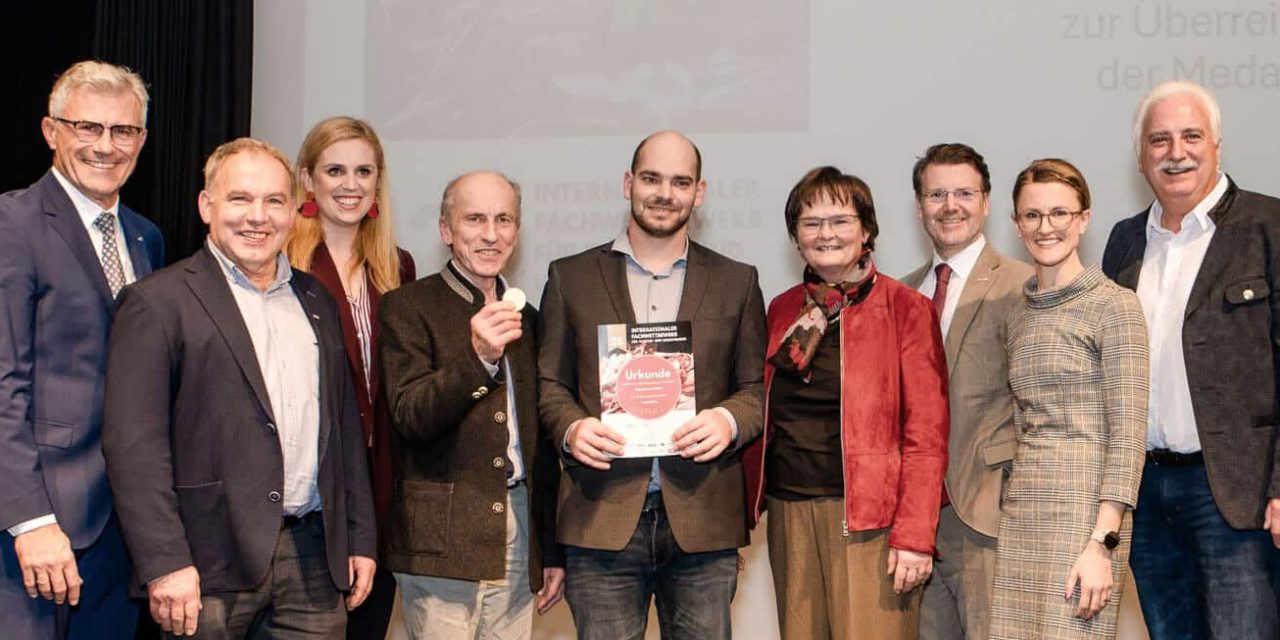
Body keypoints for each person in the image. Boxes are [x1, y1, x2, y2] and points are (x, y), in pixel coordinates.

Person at [101, 138, 377, 638]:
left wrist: (360, 537)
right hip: (205, 565)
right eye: (240, 199)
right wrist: (164, 561)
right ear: (207, 206)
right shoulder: (157, 303)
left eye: (274, 201)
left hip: (315, 558)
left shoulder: (316, 299)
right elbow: (133, 448)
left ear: (295, 210)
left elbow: (343, 433)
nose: (258, 216)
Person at [537, 130, 766, 639]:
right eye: (651, 178)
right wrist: (572, 429)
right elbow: (549, 385)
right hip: (600, 522)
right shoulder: (569, 277)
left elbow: (754, 390)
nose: (664, 193)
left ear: (698, 193)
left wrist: (727, 421)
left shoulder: (738, 281)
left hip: (703, 525)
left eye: (680, 181)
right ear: (628, 183)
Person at [1101, 80, 1280, 639]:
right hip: (1147, 499)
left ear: (1217, 145)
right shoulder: (1124, 241)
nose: (1175, 152)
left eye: (1191, 135)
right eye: (1159, 140)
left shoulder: (1268, 226)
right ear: (1140, 158)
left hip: (1236, 495)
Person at [741, 166, 949, 639]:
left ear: (867, 229)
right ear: (795, 236)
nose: (826, 234)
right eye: (811, 223)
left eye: (840, 220)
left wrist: (915, 536)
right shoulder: (783, 308)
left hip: (872, 522)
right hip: (790, 513)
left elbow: (928, 434)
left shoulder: (906, 308)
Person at [0, 60, 164, 639]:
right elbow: (4, 383)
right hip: (33, 532)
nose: (105, 146)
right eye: (86, 128)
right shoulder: (11, 223)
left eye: (123, 131)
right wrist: (29, 520)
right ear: (51, 132)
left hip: (121, 531)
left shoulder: (147, 237)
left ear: (141, 139)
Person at [380, 170, 565, 639]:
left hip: (520, 533)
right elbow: (410, 417)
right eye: (475, 218)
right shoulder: (407, 306)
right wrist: (478, 359)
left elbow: (541, 443)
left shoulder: (530, 318)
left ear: (517, 232)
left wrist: (552, 550)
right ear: (446, 230)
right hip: (441, 541)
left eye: (504, 219)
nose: (490, 233)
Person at [990, 158, 1148, 639]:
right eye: (1032, 215)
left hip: (1086, 523)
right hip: (1022, 520)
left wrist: (1103, 543)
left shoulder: (1115, 305)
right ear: (1017, 225)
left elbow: (1128, 436)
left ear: (1083, 219)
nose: (1046, 227)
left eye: (1060, 213)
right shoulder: (1018, 309)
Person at [285, 116, 415, 639]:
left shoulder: (397, 267)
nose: (350, 184)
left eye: (364, 171)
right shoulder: (279, 262)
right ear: (308, 179)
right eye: (335, 169)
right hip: (310, 493)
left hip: (378, 491)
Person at [900, 144, 1033, 640]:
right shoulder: (903, 293)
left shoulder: (1023, 285)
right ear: (918, 206)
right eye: (936, 193)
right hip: (914, 525)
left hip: (988, 516)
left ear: (987, 202)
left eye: (963, 192)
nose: (949, 205)